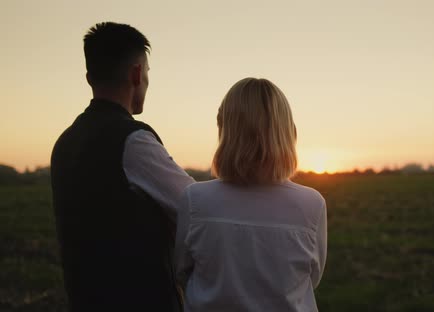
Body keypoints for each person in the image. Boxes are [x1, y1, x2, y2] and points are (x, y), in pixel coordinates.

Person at [51, 22, 194, 312]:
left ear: (89, 77)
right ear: (137, 73)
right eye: (148, 73)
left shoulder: (64, 142)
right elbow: (197, 207)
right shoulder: (133, 141)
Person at [175, 78, 328, 311]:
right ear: (288, 132)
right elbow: (311, 279)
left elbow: (183, 272)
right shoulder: (311, 205)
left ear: (224, 129)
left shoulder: (194, 199)